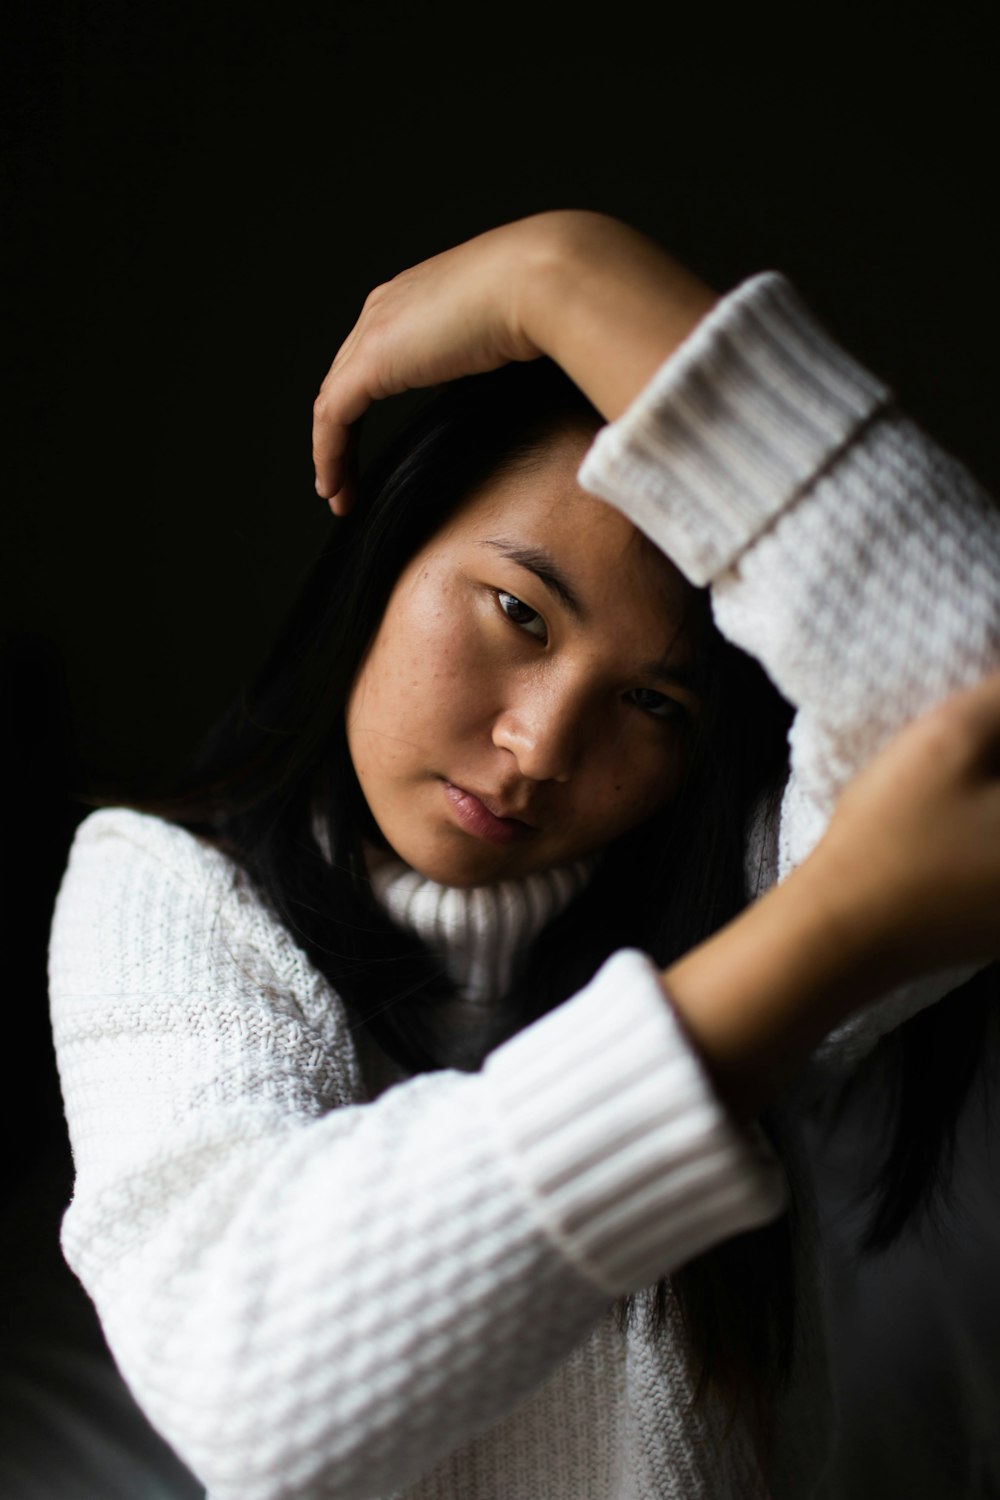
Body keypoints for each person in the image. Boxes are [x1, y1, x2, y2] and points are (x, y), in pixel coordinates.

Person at [49, 211, 1000, 1500]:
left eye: (657, 704)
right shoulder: (161, 893)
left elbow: (975, 723)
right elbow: (252, 1381)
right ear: (384, 557)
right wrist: (826, 943)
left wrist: (565, 275)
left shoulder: (734, 881)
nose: (542, 745)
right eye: (516, 611)